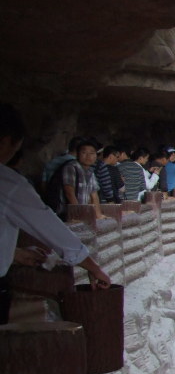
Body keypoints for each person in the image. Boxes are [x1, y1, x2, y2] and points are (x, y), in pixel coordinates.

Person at [0, 104, 111, 324]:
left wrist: (13, 253)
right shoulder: (7, 183)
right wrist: (92, 267)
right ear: (6, 141)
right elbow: (47, 225)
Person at [62, 138, 103, 221]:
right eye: (84, 153)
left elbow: (94, 195)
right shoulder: (71, 167)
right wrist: (78, 214)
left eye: (92, 153)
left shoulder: (90, 171)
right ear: (77, 154)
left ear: (96, 156)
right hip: (70, 216)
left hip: (83, 215)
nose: (88, 156)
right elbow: (69, 193)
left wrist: (98, 215)